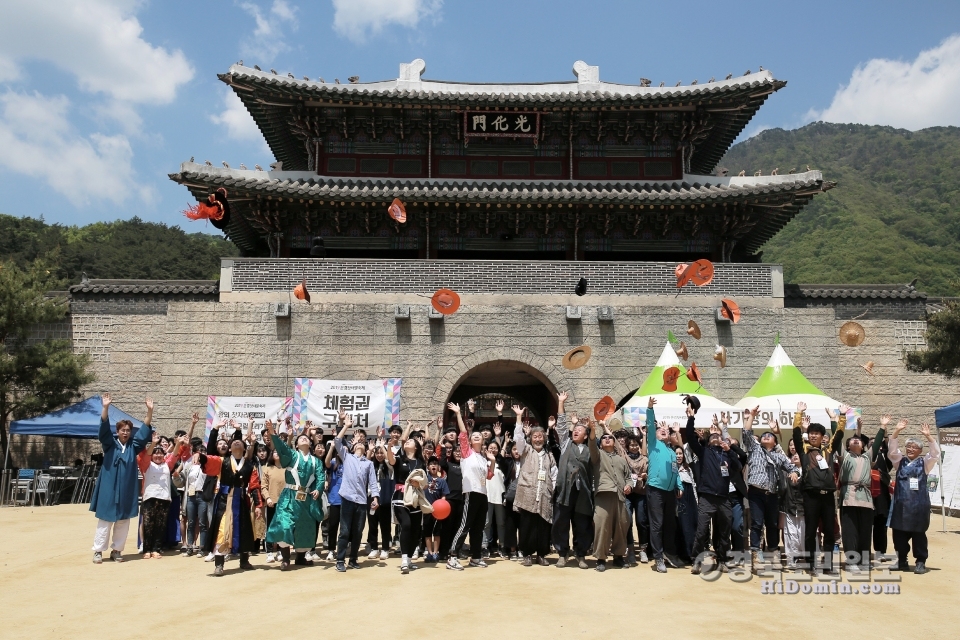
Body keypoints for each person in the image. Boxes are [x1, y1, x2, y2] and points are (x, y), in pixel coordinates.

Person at [90, 394, 154, 564]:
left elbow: (145, 430)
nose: (125, 432)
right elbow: (103, 429)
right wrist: (106, 408)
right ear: (117, 431)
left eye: (128, 430)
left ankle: (117, 550)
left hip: (126, 489)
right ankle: (98, 551)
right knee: (105, 520)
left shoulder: (134, 446)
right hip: (109, 488)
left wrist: (149, 411)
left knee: (123, 521)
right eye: (122, 430)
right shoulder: (110, 444)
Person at [686, 406, 742, 574]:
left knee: (725, 531)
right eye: (713, 437)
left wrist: (729, 451)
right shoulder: (704, 452)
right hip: (707, 497)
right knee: (702, 530)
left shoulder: (726, 454)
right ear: (709, 441)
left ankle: (723, 560)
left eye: (719, 436)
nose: (716, 438)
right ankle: (696, 560)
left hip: (724, 498)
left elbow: (738, 466)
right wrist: (691, 418)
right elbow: (690, 436)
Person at [264, 419, 324, 570]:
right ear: (296, 445)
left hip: (306, 497)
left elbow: (321, 477)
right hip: (289, 496)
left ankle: (301, 557)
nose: (304, 439)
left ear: (310, 444)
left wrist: (318, 488)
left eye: (306, 438)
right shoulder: (291, 455)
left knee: (305, 526)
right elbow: (281, 447)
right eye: (300, 438)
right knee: (285, 524)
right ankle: (285, 559)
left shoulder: (316, 461)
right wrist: (272, 433)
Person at [793, 402, 846, 573]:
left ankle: (828, 565)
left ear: (823, 436)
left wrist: (841, 416)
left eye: (817, 434)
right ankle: (810, 564)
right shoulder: (804, 451)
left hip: (828, 496)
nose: (814, 436)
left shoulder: (828, 451)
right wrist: (799, 414)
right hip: (811, 496)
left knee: (829, 531)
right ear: (808, 435)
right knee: (810, 531)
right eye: (812, 433)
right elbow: (795, 434)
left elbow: (838, 435)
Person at [742, 408, 798, 569]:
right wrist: (751, 416)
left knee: (772, 524)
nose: (766, 436)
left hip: (772, 494)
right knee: (757, 524)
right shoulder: (755, 449)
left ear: (775, 442)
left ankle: (773, 555)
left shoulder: (779, 456)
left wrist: (794, 473)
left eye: (770, 436)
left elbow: (791, 466)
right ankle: (756, 556)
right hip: (756, 492)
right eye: (764, 435)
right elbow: (746, 433)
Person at [207, 419, 263, 576]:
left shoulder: (249, 466)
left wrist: (258, 505)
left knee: (244, 529)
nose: (237, 443)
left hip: (242, 501)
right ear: (230, 449)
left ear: (244, 447)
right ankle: (219, 564)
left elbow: (254, 486)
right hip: (224, 501)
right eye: (234, 442)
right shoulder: (222, 461)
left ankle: (244, 561)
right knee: (222, 530)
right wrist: (215, 430)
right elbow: (210, 453)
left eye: (240, 442)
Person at [445, 401, 496, 570]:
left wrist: (493, 461)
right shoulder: (467, 453)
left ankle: (476, 556)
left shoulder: (482, 458)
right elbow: (462, 433)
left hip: (482, 494)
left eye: (479, 436)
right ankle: (452, 556)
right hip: (470, 493)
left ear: (483, 440)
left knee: (478, 527)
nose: (476, 437)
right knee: (465, 525)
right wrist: (459, 413)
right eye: (474, 435)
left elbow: (489, 476)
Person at [887, 420, 939, 574]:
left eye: (914, 447)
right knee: (899, 536)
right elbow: (892, 451)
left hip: (918, 507)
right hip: (901, 507)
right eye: (908, 447)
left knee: (918, 535)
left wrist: (929, 437)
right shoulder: (899, 462)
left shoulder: (925, 463)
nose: (910, 449)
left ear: (920, 451)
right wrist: (896, 431)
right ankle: (902, 560)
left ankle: (921, 562)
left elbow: (935, 453)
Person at [333, 411, 380, 573]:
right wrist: (346, 425)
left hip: (361, 501)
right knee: (345, 530)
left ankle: (353, 559)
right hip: (346, 498)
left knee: (358, 531)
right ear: (352, 447)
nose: (360, 444)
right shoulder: (347, 457)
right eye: (357, 443)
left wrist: (375, 498)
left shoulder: (368, 463)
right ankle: (340, 560)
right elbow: (337, 440)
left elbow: (373, 482)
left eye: (363, 443)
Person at [552, 392, 594, 569]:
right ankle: (562, 553)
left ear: (586, 436)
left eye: (580, 431)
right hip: (565, 491)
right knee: (561, 522)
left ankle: (580, 554)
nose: (575, 431)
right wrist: (561, 403)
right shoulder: (566, 444)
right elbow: (561, 426)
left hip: (582, 492)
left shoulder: (591, 449)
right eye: (575, 430)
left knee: (582, 524)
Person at [512, 403, 556, 567]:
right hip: (527, 494)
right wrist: (518, 417)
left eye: (540, 437)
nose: (538, 439)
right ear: (531, 438)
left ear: (544, 439)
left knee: (543, 526)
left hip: (544, 494)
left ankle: (542, 554)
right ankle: (526, 554)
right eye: (535, 437)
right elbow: (518, 439)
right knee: (527, 525)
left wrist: (553, 488)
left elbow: (554, 474)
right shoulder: (526, 450)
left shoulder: (549, 455)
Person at [643, 397, 683, 573]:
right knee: (657, 524)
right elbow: (651, 426)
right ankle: (658, 558)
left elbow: (676, 471)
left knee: (670, 524)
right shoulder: (653, 444)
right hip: (655, 490)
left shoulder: (672, 452)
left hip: (669, 492)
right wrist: (650, 409)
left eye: (665, 430)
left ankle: (669, 554)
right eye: (660, 430)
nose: (663, 431)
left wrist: (679, 485)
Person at [838, 417, 881, 572]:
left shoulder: (867, 457)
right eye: (852, 440)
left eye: (859, 440)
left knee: (865, 531)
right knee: (850, 531)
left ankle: (864, 560)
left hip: (866, 499)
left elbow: (876, 445)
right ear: (848, 445)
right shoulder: (845, 456)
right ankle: (851, 562)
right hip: (849, 497)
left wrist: (882, 427)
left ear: (863, 446)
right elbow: (837, 440)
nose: (855, 441)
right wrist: (836, 421)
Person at [590, 419, 632, 572]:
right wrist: (594, 429)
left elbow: (629, 477)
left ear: (614, 443)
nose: (607, 439)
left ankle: (618, 557)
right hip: (603, 495)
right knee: (602, 526)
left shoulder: (621, 460)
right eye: (605, 439)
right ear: (601, 444)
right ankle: (601, 558)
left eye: (610, 438)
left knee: (621, 526)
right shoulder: (598, 456)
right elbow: (592, 444)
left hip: (620, 497)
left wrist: (629, 485)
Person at [138, 432, 184, 558]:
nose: (158, 455)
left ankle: (156, 549)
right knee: (148, 524)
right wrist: (153, 443)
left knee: (160, 524)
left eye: (160, 453)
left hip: (164, 498)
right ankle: (147, 549)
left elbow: (174, 455)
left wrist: (178, 443)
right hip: (149, 497)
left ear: (164, 455)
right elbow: (146, 456)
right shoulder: (146, 465)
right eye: (155, 453)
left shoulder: (167, 465)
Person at [391, 428, 426, 573]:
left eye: (411, 441)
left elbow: (425, 480)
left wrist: (420, 483)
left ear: (416, 447)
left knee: (416, 530)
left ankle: (410, 558)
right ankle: (404, 558)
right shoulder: (399, 458)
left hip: (416, 498)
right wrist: (388, 446)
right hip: (400, 497)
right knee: (406, 525)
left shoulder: (420, 462)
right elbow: (391, 460)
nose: (407, 442)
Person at [621, 432, 649, 565]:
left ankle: (643, 549)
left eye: (635, 445)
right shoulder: (624, 457)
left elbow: (649, 473)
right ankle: (630, 548)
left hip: (641, 494)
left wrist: (645, 476)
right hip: (628, 493)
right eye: (631, 445)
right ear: (627, 446)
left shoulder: (644, 459)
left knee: (641, 521)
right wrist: (605, 428)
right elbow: (617, 446)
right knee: (628, 521)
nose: (633, 447)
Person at [367, 436, 395, 562]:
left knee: (385, 525)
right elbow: (363, 463)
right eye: (377, 453)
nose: (379, 455)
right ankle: (374, 548)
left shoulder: (389, 467)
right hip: (371, 498)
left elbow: (389, 460)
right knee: (372, 525)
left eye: (381, 453)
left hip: (385, 499)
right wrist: (370, 451)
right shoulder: (370, 466)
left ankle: (385, 549)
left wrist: (383, 447)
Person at [870, 415, 894, 557]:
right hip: (867, 497)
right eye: (871, 444)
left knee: (881, 526)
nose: (875, 446)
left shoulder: (886, 459)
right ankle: (863, 553)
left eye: (877, 444)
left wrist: (885, 430)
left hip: (882, 498)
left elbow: (889, 447)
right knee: (866, 527)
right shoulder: (864, 458)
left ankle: (880, 552)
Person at [482, 439, 508, 559]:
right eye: (490, 447)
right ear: (486, 449)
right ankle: (484, 546)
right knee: (486, 523)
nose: (493, 450)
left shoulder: (502, 463)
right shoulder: (482, 462)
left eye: (495, 448)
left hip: (499, 496)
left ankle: (502, 545)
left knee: (501, 523)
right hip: (486, 496)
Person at [779, 452, 805, 569]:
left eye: (798, 455)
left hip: (804, 508)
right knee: (791, 534)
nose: (795, 456)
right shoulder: (786, 471)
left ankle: (808, 558)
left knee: (804, 533)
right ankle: (792, 559)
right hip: (789, 506)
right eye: (793, 455)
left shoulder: (808, 470)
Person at [260, 448, 286, 562]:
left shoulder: (287, 469)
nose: (277, 453)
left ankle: (281, 550)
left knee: (283, 527)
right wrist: (268, 498)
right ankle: (269, 552)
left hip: (285, 503)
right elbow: (263, 486)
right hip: (272, 502)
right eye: (275, 452)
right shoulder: (267, 469)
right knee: (271, 527)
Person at [423, 456, 450, 562]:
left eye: (435, 464)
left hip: (437, 511)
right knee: (427, 532)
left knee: (437, 532)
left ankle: (435, 552)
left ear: (439, 467)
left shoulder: (442, 481)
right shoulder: (425, 479)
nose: (433, 465)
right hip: (426, 510)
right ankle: (429, 552)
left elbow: (444, 495)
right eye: (431, 464)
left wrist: (442, 505)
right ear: (428, 467)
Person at [323, 435, 344, 561]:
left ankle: (344, 548)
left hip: (348, 499)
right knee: (333, 525)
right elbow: (326, 462)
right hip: (335, 498)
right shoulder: (333, 462)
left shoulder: (350, 462)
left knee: (346, 526)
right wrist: (331, 448)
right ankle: (331, 550)